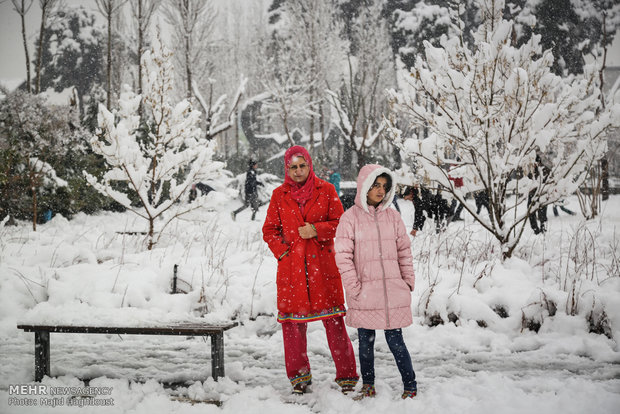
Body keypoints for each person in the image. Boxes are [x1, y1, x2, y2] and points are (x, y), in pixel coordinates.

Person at [262, 145, 359, 395]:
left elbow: (340, 223)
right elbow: (269, 230)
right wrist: (283, 252)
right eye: (292, 167)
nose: (298, 171)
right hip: (292, 270)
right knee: (292, 325)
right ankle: (299, 377)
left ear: (310, 165)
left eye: (302, 166)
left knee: (334, 321)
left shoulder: (326, 190)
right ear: (286, 168)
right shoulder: (278, 195)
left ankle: (347, 376)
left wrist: (317, 229)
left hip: (322, 267)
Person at [335, 164, 417, 400]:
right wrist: (354, 287)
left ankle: (410, 384)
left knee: (396, 342)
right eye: (376, 185)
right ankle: (368, 384)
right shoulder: (350, 218)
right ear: (365, 187)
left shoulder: (393, 217)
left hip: (393, 292)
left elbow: (404, 251)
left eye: (384, 186)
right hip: (365, 292)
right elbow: (343, 256)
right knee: (365, 343)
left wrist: (408, 280)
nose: (380, 190)